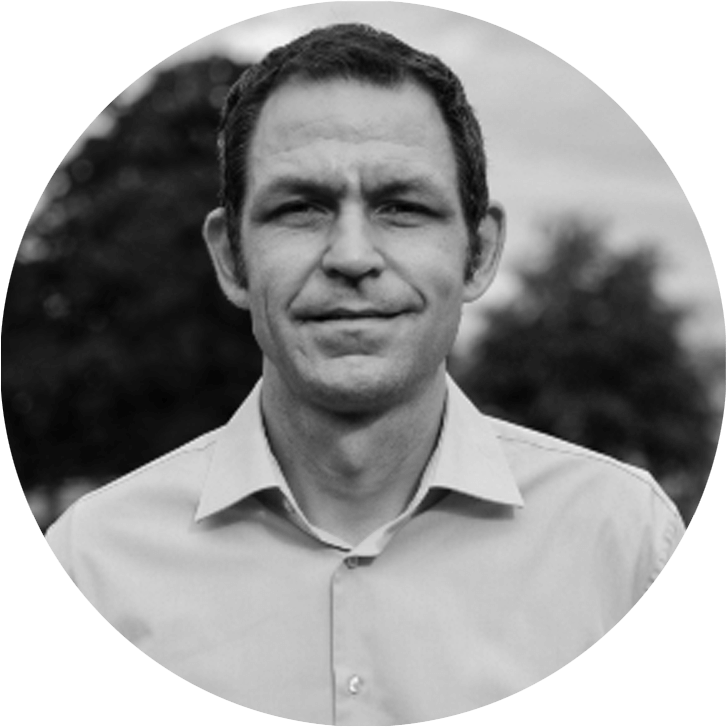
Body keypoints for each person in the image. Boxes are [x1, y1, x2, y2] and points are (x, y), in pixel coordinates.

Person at [45, 23, 685, 723]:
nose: (351, 256)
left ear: (477, 254)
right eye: (299, 208)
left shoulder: (623, 546)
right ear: (231, 258)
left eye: (402, 207)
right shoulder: (93, 568)